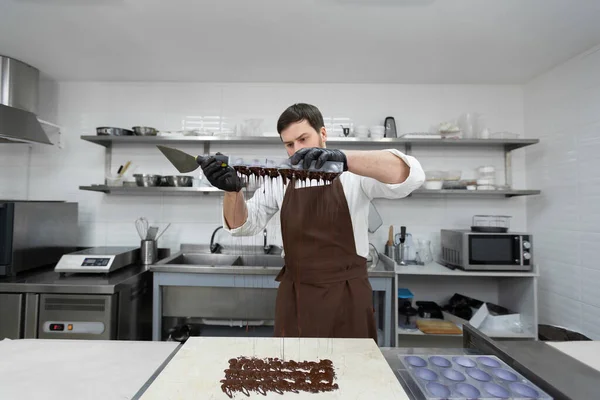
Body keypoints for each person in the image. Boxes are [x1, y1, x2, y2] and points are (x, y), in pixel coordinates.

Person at [200, 103, 425, 343]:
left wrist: (344, 160)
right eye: (289, 144)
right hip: (296, 293)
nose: (296, 150)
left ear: (323, 134)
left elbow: (412, 176)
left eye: (303, 139)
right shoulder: (280, 181)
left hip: (346, 294)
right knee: (293, 374)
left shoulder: (355, 175)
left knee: (351, 373)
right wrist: (231, 191)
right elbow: (243, 226)